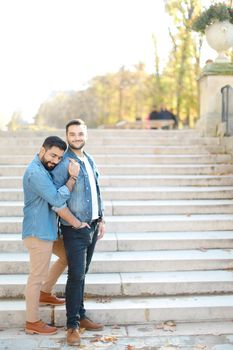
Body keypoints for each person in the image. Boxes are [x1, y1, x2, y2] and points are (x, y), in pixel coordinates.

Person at [22, 136, 89, 335]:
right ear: (42, 150)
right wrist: (73, 178)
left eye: (60, 157)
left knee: (68, 257)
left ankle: (45, 292)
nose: (55, 161)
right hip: (38, 233)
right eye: (52, 155)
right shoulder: (35, 173)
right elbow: (57, 198)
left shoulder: (44, 169)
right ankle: (32, 322)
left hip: (49, 231)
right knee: (36, 277)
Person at [52, 119, 106, 346]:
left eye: (80, 133)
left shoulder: (89, 159)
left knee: (82, 273)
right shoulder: (63, 163)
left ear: (86, 135)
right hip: (74, 229)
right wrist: (74, 223)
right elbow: (56, 199)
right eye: (72, 134)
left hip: (92, 226)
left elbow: (96, 191)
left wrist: (101, 218)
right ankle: (72, 325)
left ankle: (81, 316)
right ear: (66, 136)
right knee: (76, 276)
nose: (76, 137)